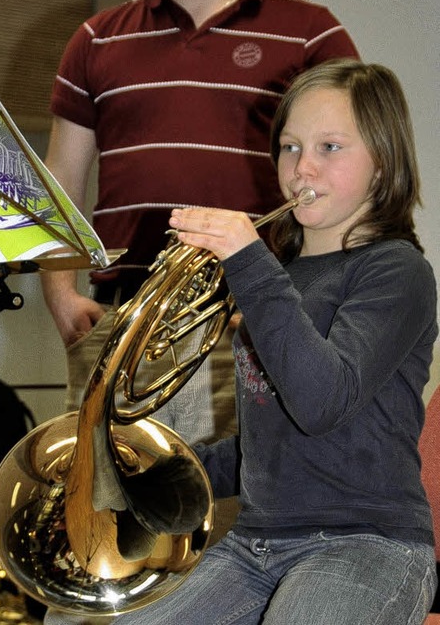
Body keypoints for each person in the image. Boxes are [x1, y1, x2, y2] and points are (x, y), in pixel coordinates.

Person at [41, 0, 358, 448]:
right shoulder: (96, 40)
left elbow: (348, 182)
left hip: (252, 325)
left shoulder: (311, 33)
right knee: (116, 531)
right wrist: (59, 293)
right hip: (121, 326)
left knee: (239, 529)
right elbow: (61, 188)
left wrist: (298, 301)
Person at [106, 59, 438, 625]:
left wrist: (250, 264)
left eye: (330, 147)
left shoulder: (397, 271)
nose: (302, 167)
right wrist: (146, 472)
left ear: (383, 164)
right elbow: (272, 442)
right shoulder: (278, 273)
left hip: (368, 546)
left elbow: (321, 403)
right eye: (289, 147)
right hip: (255, 546)